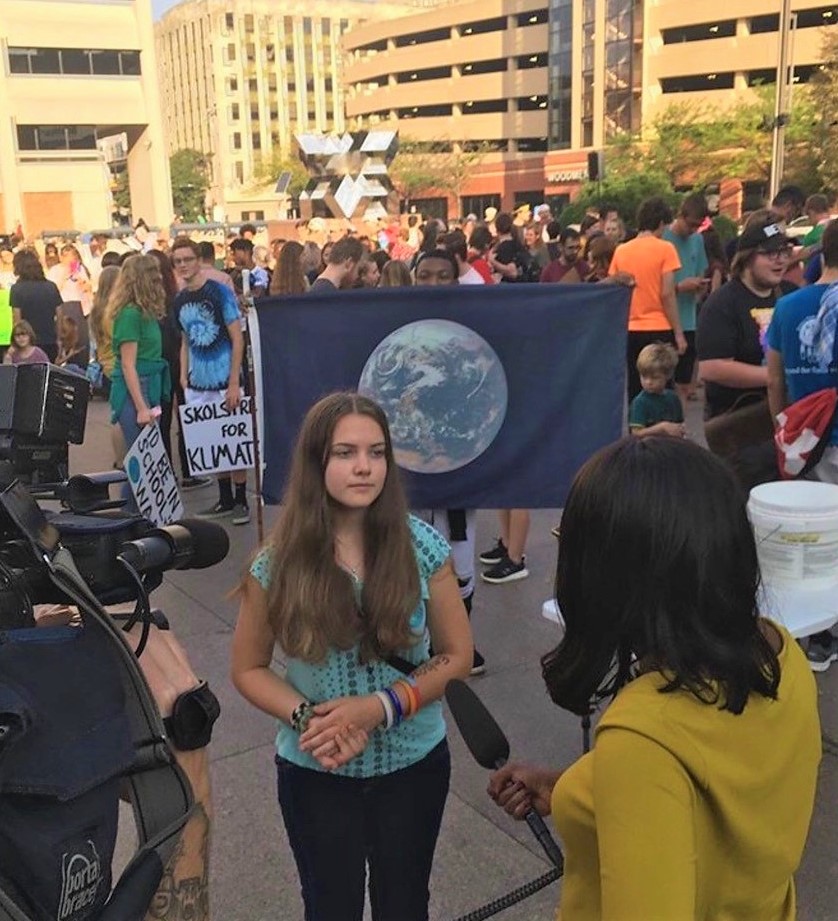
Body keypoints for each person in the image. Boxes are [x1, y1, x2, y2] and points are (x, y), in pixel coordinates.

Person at [488, 436, 820, 921]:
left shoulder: (643, 736)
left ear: (606, 573)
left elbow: (655, 767)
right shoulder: (780, 653)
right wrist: (571, 792)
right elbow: (707, 800)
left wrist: (621, 774)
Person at [231, 392, 472, 921]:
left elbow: (457, 655)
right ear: (317, 463)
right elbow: (247, 668)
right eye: (344, 453)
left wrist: (379, 707)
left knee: (405, 904)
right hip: (314, 768)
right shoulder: (276, 563)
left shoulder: (424, 546)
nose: (364, 466)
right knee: (329, 905)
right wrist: (307, 718)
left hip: (414, 764)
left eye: (377, 451)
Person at [766, 218, 838, 671]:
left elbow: (774, 376)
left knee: (815, 537)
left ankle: (819, 636)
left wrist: (782, 423)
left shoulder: (787, 306)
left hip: (806, 439)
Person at [171, 237, 248, 523]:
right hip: (197, 381)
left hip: (224, 377)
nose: (183, 266)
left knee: (233, 439)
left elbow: (237, 337)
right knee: (212, 442)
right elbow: (185, 340)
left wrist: (232, 381)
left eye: (187, 259)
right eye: (177, 261)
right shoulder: (179, 300)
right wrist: (183, 373)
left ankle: (241, 500)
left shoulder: (219, 293)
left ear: (198, 259)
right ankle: (224, 498)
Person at [697, 217, 797, 421]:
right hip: (741, 422)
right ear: (747, 258)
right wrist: (775, 377)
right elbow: (712, 368)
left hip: (790, 415)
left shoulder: (791, 295)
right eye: (770, 253)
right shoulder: (722, 303)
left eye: (784, 252)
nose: (780, 260)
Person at [107, 255, 171, 508]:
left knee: (148, 461)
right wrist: (142, 407)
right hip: (137, 389)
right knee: (141, 463)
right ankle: (127, 519)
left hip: (149, 384)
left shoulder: (144, 312)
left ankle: (138, 519)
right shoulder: (130, 315)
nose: (159, 278)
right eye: (153, 273)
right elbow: (127, 364)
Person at [609, 197, 686, 401]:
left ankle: (637, 428)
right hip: (658, 326)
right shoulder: (666, 249)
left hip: (630, 327)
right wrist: (678, 333)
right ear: (660, 223)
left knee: (636, 386)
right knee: (662, 388)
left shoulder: (621, 250)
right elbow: (667, 293)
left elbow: (616, 287)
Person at [662, 194, 710, 405]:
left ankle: (679, 425)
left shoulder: (698, 240)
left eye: (698, 226)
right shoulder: (663, 238)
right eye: (690, 225)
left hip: (689, 318)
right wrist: (680, 287)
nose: (692, 230)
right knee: (661, 380)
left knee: (683, 381)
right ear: (680, 216)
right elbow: (656, 285)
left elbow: (701, 269)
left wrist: (700, 285)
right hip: (665, 319)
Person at [9, 249, 62, 362]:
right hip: (50, 340)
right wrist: (59, 339)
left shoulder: (16, 289)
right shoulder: (51, 287)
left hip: (27, 344)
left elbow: (17, 320)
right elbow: (60, 315)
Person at [629, 342, 685, 437]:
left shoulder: (673, 398)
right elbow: (636, 433)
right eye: (644, 376)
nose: (648, 382)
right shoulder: (640, 402)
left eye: (654, 377)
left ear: (668, 375)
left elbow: (679, 423)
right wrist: (661, 427)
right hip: (649, 448)